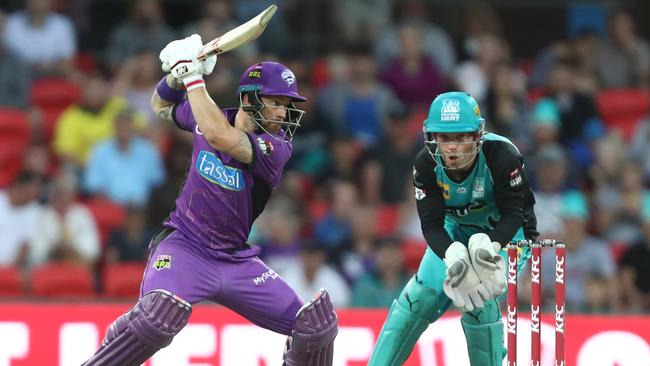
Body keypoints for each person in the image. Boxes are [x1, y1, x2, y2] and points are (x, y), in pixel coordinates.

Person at [82, 34, 338, 366]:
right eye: (276, 102)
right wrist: (174, 77)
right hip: (185, 247)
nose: (282, 114)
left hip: (235, 260)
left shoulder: (276, 148)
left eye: (287, 106)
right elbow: (160, 106)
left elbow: (220, 135)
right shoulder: (206, 115)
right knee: (159, 319)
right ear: (249, 99)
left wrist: (192, 77)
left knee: (316, 327)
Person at [368, 92, 538, 365]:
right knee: (417, 300)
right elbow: (432, 225)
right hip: (454, 232)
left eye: (461, 137)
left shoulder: (502, 155)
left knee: (477, 302)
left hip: (508, 237)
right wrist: (452, 254)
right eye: (444, 138)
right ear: (432, 136)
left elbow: (515, 215)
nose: (452, 148)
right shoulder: (425, 164)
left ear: (477, 134)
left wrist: (490, 246)